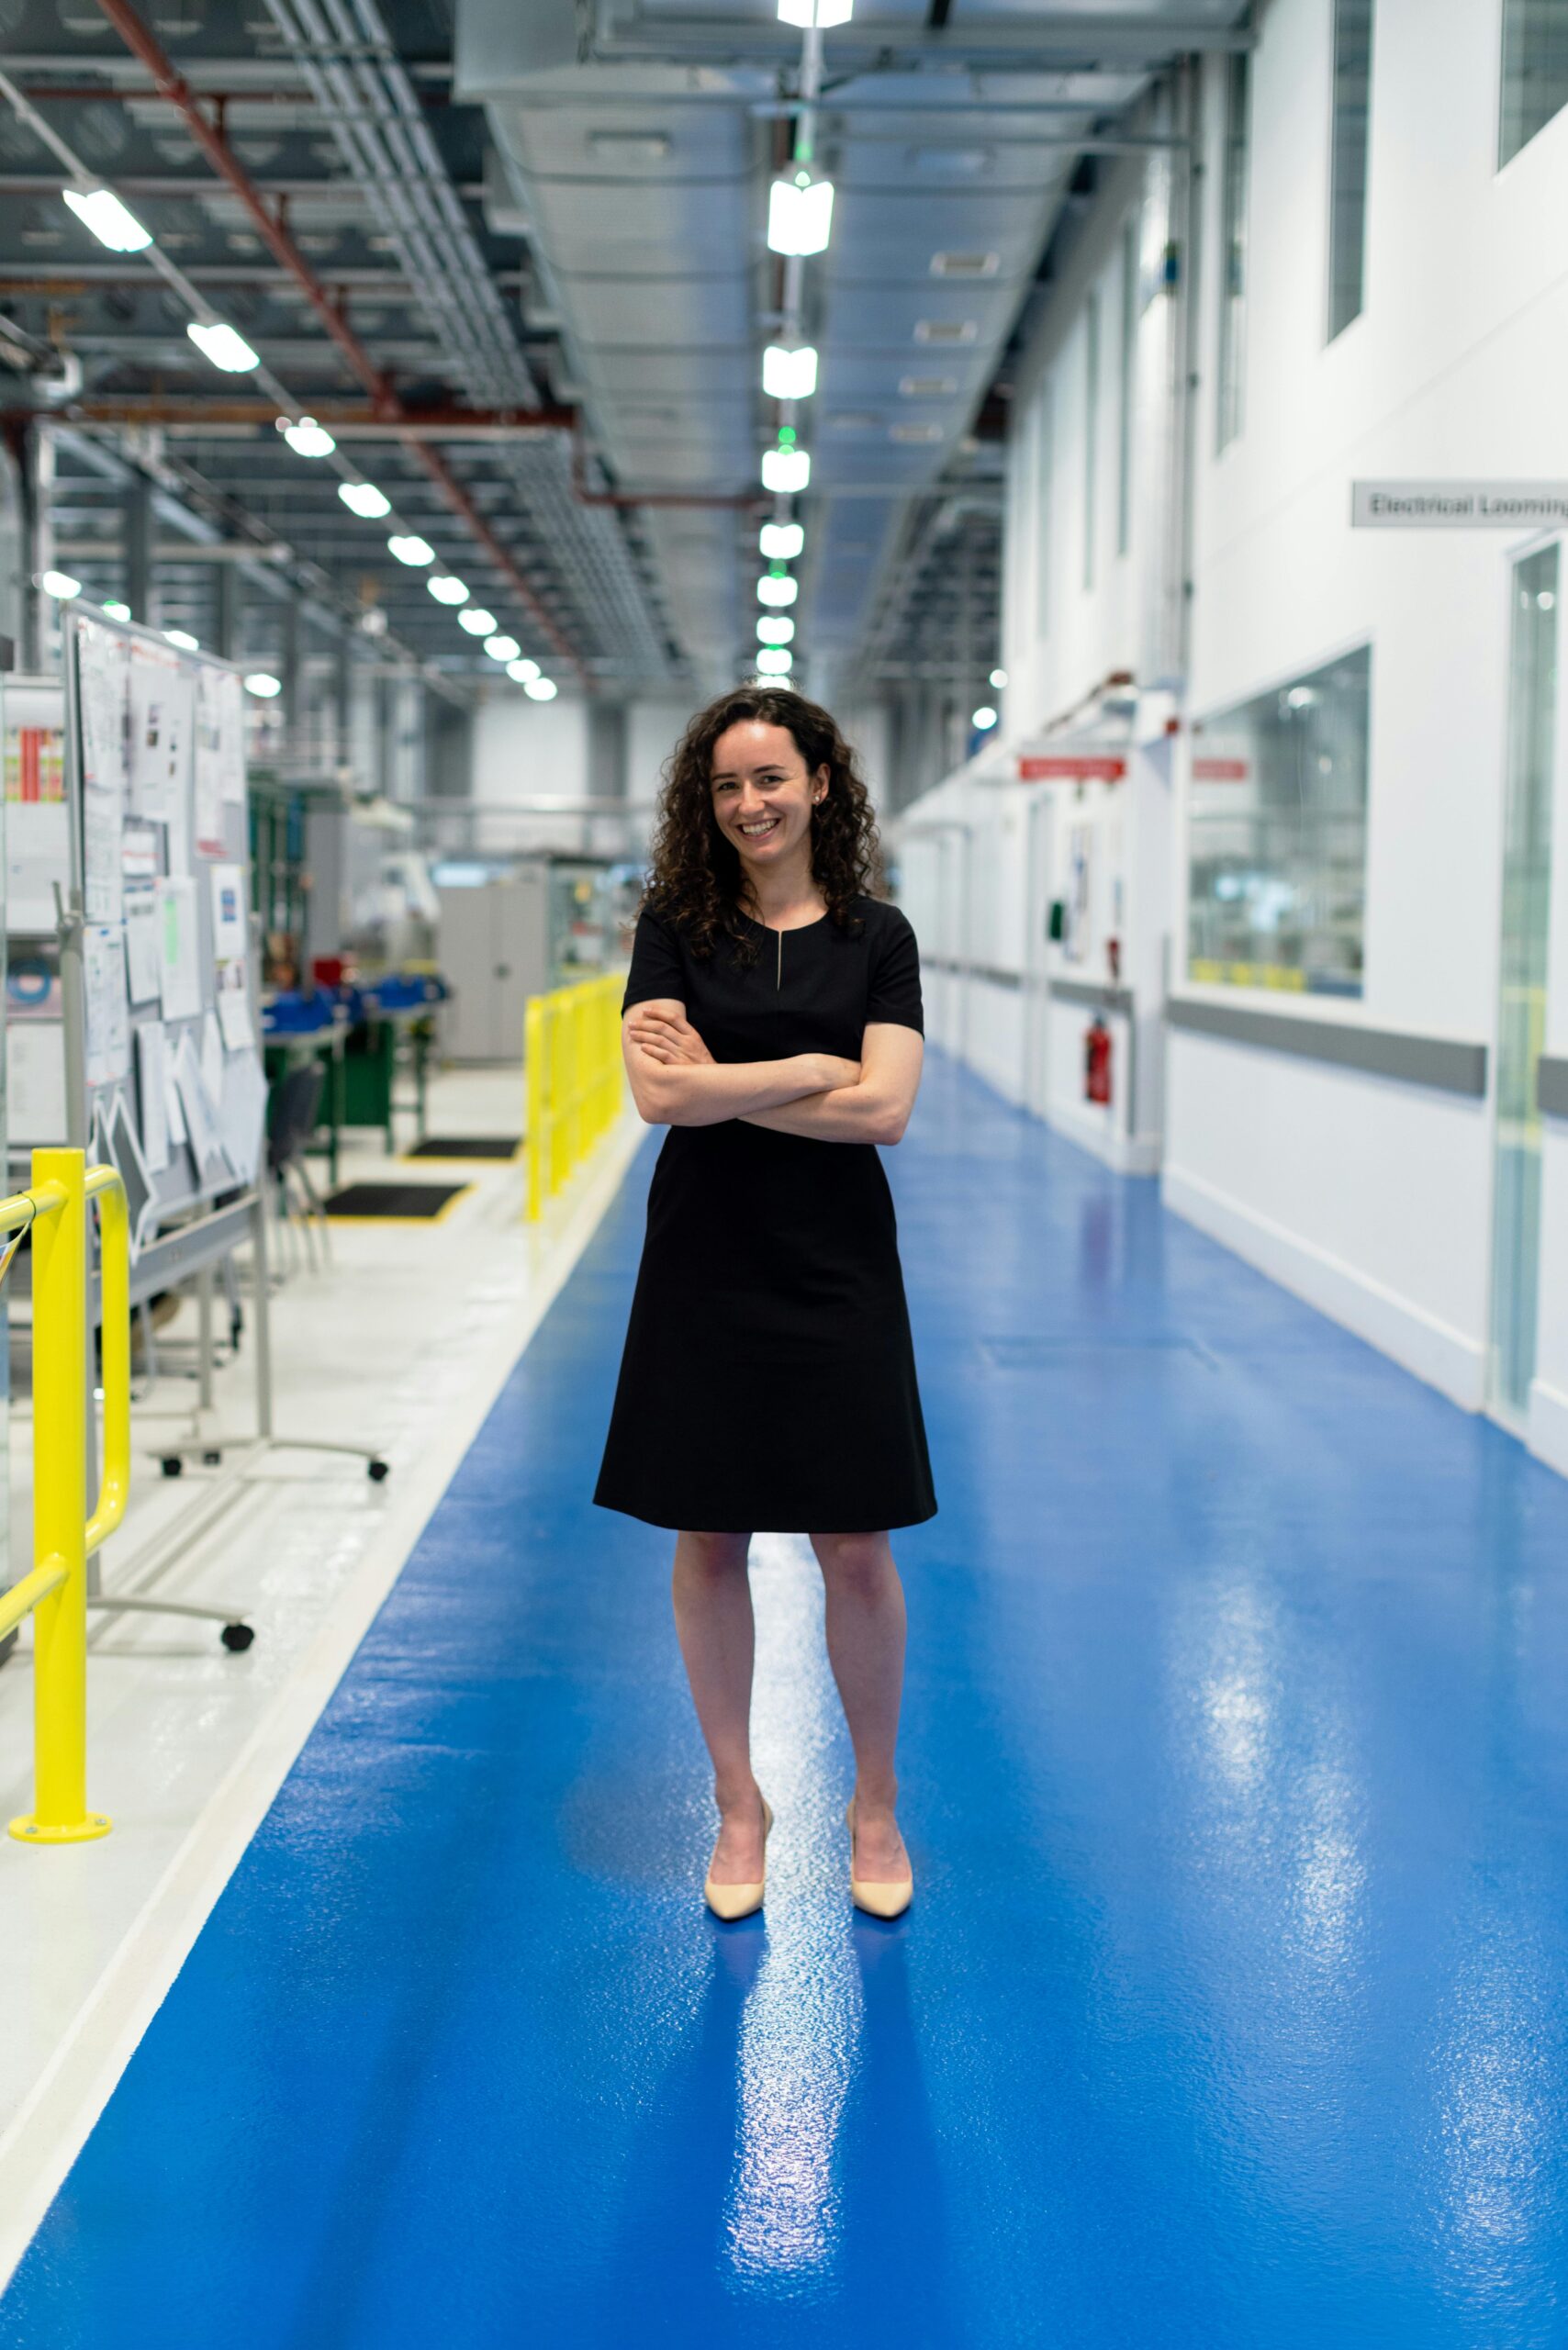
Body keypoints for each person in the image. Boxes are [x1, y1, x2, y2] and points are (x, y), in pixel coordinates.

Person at [594, 687, 935, 1922]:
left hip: (837, 1260)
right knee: (710, 1534)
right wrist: (804, 1066)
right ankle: (741, 1803)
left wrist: (723, 1081)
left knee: (855, 1541)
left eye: (771, 780)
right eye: (728, 786)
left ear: (821, 786)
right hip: (706, 1255)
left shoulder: (877, 936)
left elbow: (888, 1111)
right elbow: (656, 1102)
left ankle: (877, 1803)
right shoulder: (673, 929)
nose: (749, 805)